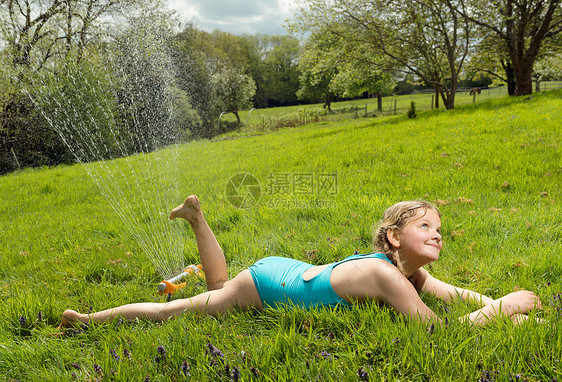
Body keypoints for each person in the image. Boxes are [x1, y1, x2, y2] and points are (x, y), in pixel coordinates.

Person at [60, 195, 542, 328]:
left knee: (220, 282)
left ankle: (195, 218)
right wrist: (511, 304)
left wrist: (494, 302)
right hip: (272, 285)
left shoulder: (410, 272)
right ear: (394, 238)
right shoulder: (383, 273)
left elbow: (458, 297)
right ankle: (88, 319)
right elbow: (440, 330)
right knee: (181, 309)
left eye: (440, 228)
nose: (437, 233)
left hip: (289, 268)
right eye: (424, 226)